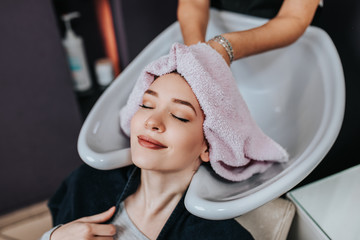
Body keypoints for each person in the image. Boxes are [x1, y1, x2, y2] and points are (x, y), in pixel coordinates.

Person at [42, 42, 288, 239]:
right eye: (147, 105)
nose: (152, 121)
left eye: (180, 116)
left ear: (208, 146)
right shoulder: (88, 182)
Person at [177, 0, 321, 65]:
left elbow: (294, 17)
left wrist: (225, 47)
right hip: (215, 23)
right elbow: (193, 3)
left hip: (281, 46)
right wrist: (196, 54)